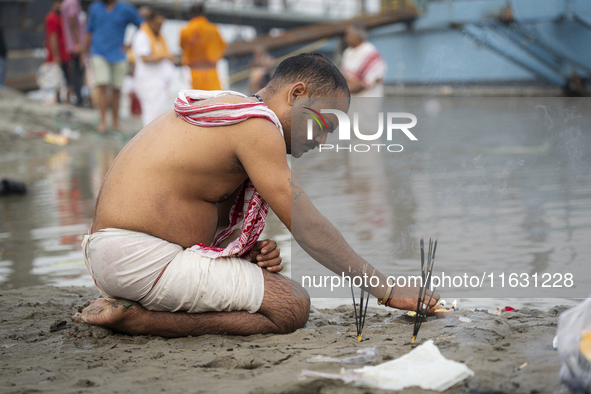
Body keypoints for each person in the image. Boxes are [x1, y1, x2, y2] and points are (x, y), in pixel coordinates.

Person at [72, 53, 439, 338]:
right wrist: (387, 289)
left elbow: (203, 208)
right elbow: (308, 226)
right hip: (138, 258)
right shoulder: (257, 125)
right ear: (297, 95)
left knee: (270, 286)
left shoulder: (237, 110)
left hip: (117, 255)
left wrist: (248, 251)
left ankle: (131, 307)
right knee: (291, 307)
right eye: (324, 123)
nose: (323, 139)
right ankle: (141, 321)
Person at [83, 0, 142, 132]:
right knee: (102, 85)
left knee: (117, 88)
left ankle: (115, 122)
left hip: (118, 54)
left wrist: (130, 44)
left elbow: (141, 24)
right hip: (98, 52)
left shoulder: (126, 9)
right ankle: (103, 122)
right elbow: (89, 30)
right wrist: (84, 53)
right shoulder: (95, 7)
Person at [131, 9, 175, 126]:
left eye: (161, 24)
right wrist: (164, 56)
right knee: (151, 112)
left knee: (161, 111)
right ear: (150, 22)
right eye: (157, 24)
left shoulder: (159, 37)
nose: (159, 27)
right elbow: (145, 58)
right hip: (148, 81)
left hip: (159, 82)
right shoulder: (141, 36)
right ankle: (150, 139)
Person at [180, 3, 226, 91]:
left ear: (191, 14)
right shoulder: (213, 29)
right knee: (216, 100)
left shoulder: (184, 31)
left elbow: (182, 46)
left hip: (193, 74)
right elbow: (222, 47)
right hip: (211, 73)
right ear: (204, 13)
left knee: (195, 102)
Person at [340, 24, 387, 97]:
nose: (346, 38)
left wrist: (341, 91)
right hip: (351, 99)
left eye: (349, 35)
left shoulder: (370, 52)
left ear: (358, 35)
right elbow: (344, 76)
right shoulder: (348, 52)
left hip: (368, 98)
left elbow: (367, 83)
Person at [45, 0, 70, 103]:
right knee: (57, 77)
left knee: (67, 76)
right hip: (58, 53)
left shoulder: (62, 16)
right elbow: (53, 36)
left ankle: (67, 98)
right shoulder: (52, 17)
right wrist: (56, 55)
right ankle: (58, 97)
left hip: (65, 52)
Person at [61, 0, 85, 106]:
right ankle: (79, 99)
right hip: (75, 44)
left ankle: (76, 98)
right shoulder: (72, 3)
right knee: (77, 71)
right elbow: (72, 20)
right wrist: (78, 42)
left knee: (75, 70)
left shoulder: (67, 3)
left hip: (72, 43)